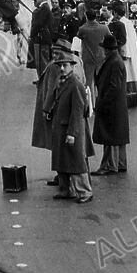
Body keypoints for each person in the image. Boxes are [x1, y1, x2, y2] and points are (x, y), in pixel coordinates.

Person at [49, 47, 95, 204]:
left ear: (72, 66)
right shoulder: (63, 81)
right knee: (63, 162)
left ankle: (85, 192)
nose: (62, 68)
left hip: (70, 129)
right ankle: (66, 190)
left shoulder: (75, 84)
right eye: (60, 65)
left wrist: (72, 133)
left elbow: (77, 111)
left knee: (76, 163)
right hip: (61, 128)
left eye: (65, 65)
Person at [32, 38, 68, 191]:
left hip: (54, 112)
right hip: (61, 111)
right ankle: (62, 175)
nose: (53, 52)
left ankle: (62, 176)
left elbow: (52, 90)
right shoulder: (63, 65)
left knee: (57, 145)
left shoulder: (54, 67)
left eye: (56, 50)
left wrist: (47, 109)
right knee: (59, 145)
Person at [92, 34, 129, 175]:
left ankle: (109, 165)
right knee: (118, 136)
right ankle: (120, 163)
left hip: (112, 105)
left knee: (110, 136)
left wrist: (102, 102)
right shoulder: (116, 60)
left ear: (107, 49)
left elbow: (114, 87)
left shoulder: (113, 62)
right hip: (117, 105)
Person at [76, 8, 110, 101]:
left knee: (89, 82)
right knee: (102, 81)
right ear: (96, 17)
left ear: (86, 17)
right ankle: (103, 100)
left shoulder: (83, 29)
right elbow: (110, 38)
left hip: (88, 58)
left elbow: (78, 37)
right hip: (101, 57)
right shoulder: (104, 28)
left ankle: (91, 103)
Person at [28, 0, 54, 81]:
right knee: (40, 61)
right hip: (41, 38)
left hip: (41, 39)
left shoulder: (43, 8)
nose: (34, 0)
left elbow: (37, 24)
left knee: (42, 61)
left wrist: (31, 35)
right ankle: (42, 79)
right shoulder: (44, 7)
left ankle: (44, 80)